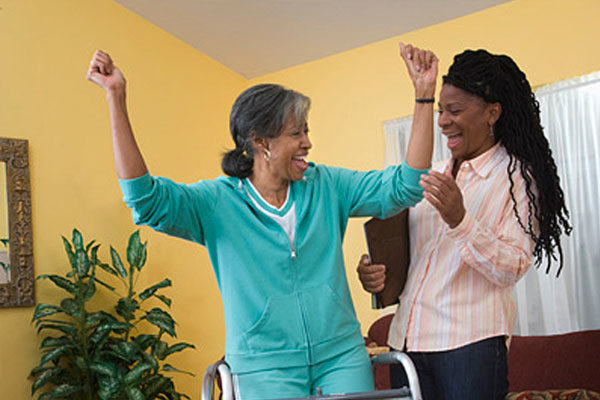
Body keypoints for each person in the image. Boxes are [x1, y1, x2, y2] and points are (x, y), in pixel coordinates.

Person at [86, 43, 438, 400]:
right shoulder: (217, 202)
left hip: (340, 355)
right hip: (262, 364)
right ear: (260, 142)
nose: (307, 143)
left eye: (306, 131)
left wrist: (424, 96)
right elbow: (145, 200)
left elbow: (407, 186)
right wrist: (116, 97)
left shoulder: (327, 186)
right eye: (296, 133)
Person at [357, 49, 571, 400]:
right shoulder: (432, 173)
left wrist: (460, 220)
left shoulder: (517, 176)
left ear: (492, 113)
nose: (443, 121)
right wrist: (378, 275)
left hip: (468, 346)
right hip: (406, 341)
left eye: (455, 111)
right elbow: (416, 257)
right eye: (442, 110)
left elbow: (512, 267)